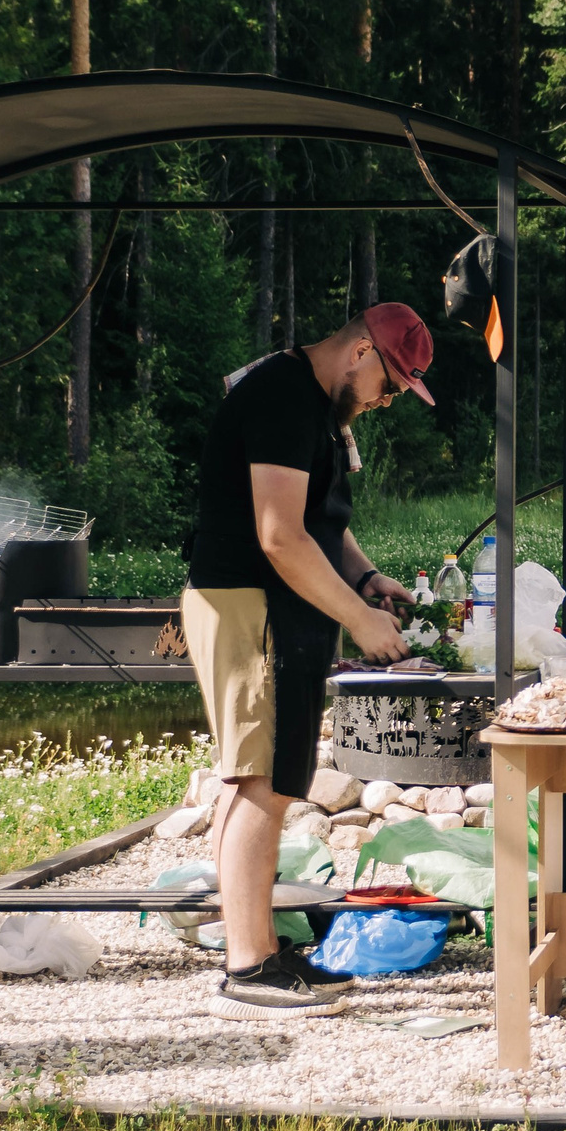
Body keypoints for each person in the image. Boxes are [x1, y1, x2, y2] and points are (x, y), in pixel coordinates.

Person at [182, 304, 435, 1020]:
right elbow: (280, 536)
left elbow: (321, 523)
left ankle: (256, 948)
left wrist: (364, 580)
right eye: (390, 385)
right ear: (360, 352)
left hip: (269, 605)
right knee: (260, 780)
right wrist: (359, 621)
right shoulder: (283, 396)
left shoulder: (316, 407)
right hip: (247, 602)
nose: (386, 402)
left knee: (261, 776)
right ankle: (249, 968)